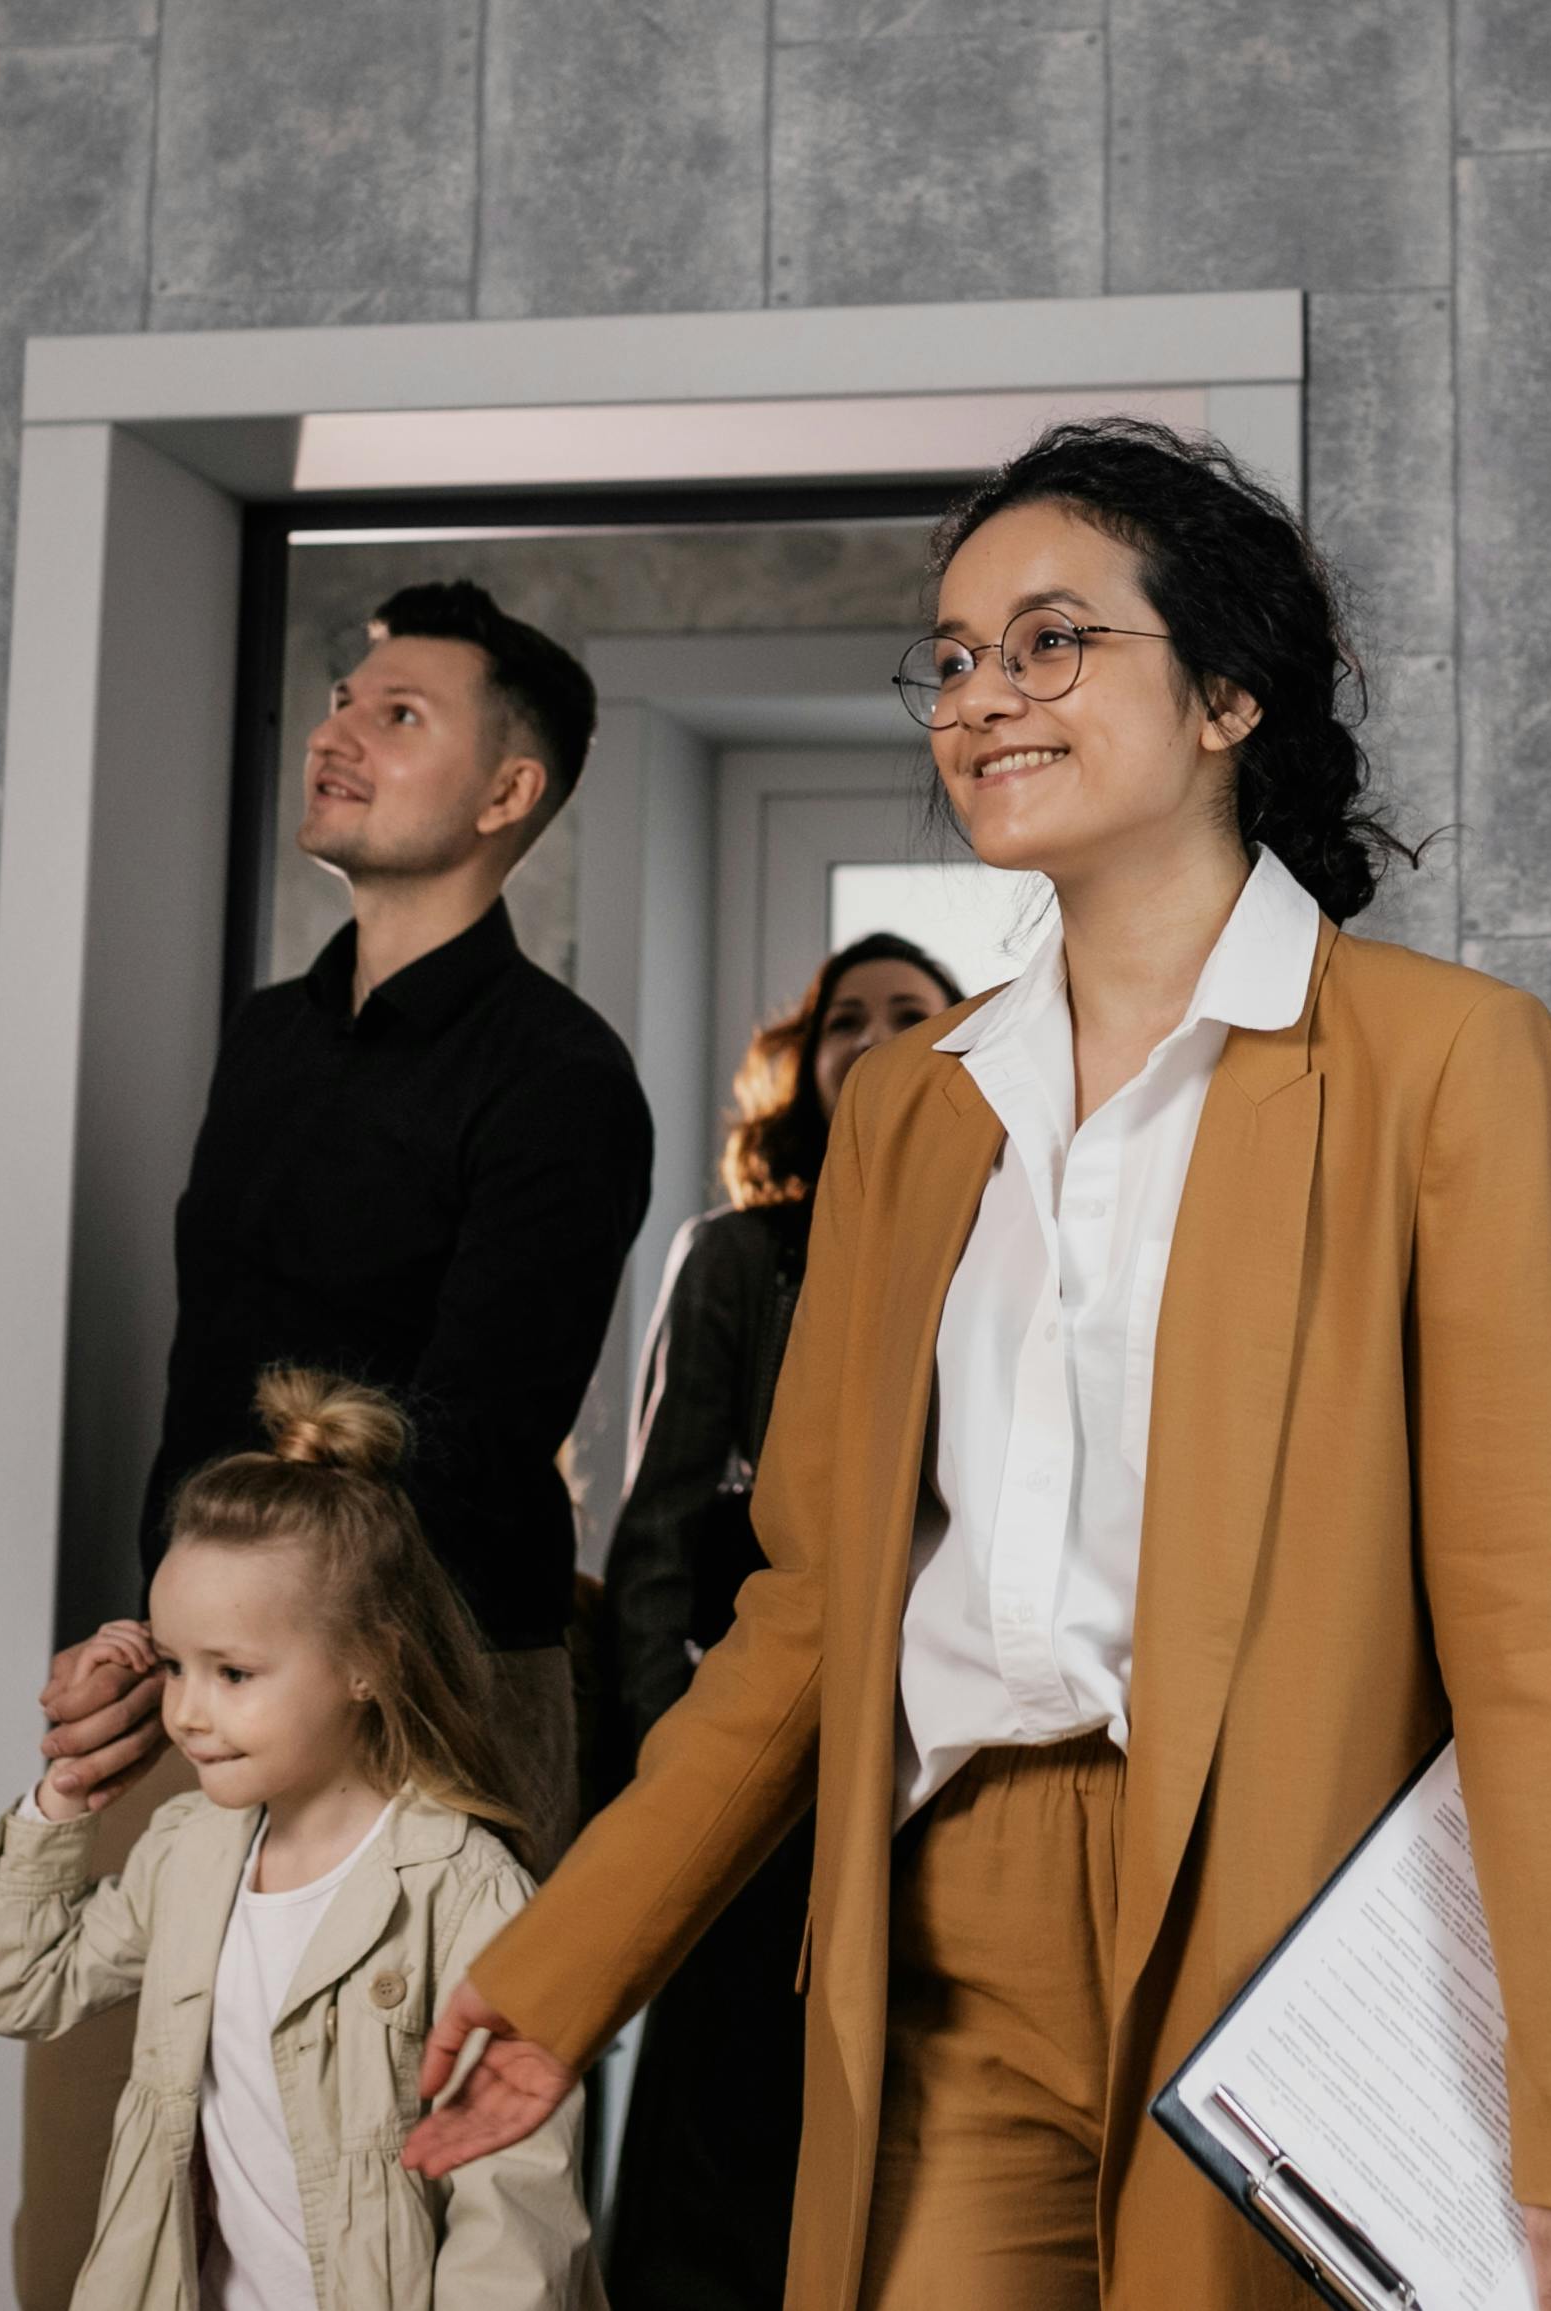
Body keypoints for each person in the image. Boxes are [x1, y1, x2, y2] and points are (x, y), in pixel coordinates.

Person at [401, 422, 1551, 2311]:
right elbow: (810, 1610)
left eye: (1049, 640)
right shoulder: (917, 1119)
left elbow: (1540, 1615)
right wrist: (568, 1963)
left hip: (1295, 1919)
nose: (981, 696)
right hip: (950, 1920)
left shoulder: (1449, 1065)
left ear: (1228, 693)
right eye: (950, 655)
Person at [19, 579, 651, 2310]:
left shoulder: (562, 1075)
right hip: (209, 1670)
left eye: (400, 713)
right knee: (132, 2205)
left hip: (442, 1676)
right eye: (341, 699)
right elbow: (198, 1382)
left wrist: (254, 1641)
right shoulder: (270, 1036)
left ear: (509, 792)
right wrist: (151, 1644)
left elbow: (475, 1432)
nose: (338, 730)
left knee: (410, 2213)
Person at [0, 1371, 600, 2311]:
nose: (188, 1711)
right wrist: (65, 1793)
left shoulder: (467, 1893)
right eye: (177, 1664)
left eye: (233, 1672)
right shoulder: (187, 1850)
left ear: (367, 1663)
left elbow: (513, 2207)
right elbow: (23, 1986)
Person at [599, 931, 963, 2311]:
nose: (874, 1033)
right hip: (759, 1751)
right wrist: (666, 1759)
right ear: (802, 1065)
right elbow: (655, 1532)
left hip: (936, 1756)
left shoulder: (1013, 1236)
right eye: (845, 1016)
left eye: (908, 1011)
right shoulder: (739, 1260)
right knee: (722, 2131)